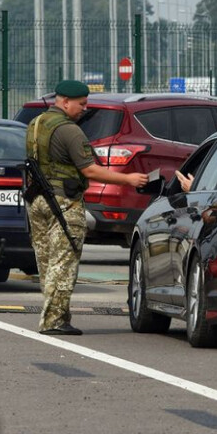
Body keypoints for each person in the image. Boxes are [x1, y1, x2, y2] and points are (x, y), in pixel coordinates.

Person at [26, 80, 148, 335]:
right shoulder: (69, 130)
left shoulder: (35, 124)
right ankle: (54, 321)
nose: (84, 108)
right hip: (62, 202)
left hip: (37, 200)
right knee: (64, 260)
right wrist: (129, 179)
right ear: (65, 102)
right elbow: (89, 169)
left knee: (46, 262)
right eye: (81, 104)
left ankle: (55, 315)